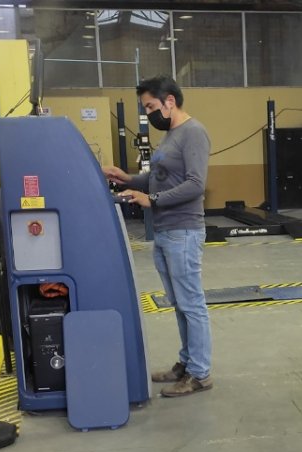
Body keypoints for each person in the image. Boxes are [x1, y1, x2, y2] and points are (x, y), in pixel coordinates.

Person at [103, 75, 213, 398]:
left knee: (192, 304)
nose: (149, 113)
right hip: (166, 232)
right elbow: (158, 177)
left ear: (170, 101)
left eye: (151, 106)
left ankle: (200, 373)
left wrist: (152, 201)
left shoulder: (194, 133)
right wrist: (130, 179)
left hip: (183, 231)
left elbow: (195, 184)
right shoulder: (170, 135)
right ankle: (187, 362)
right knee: (179, 303)